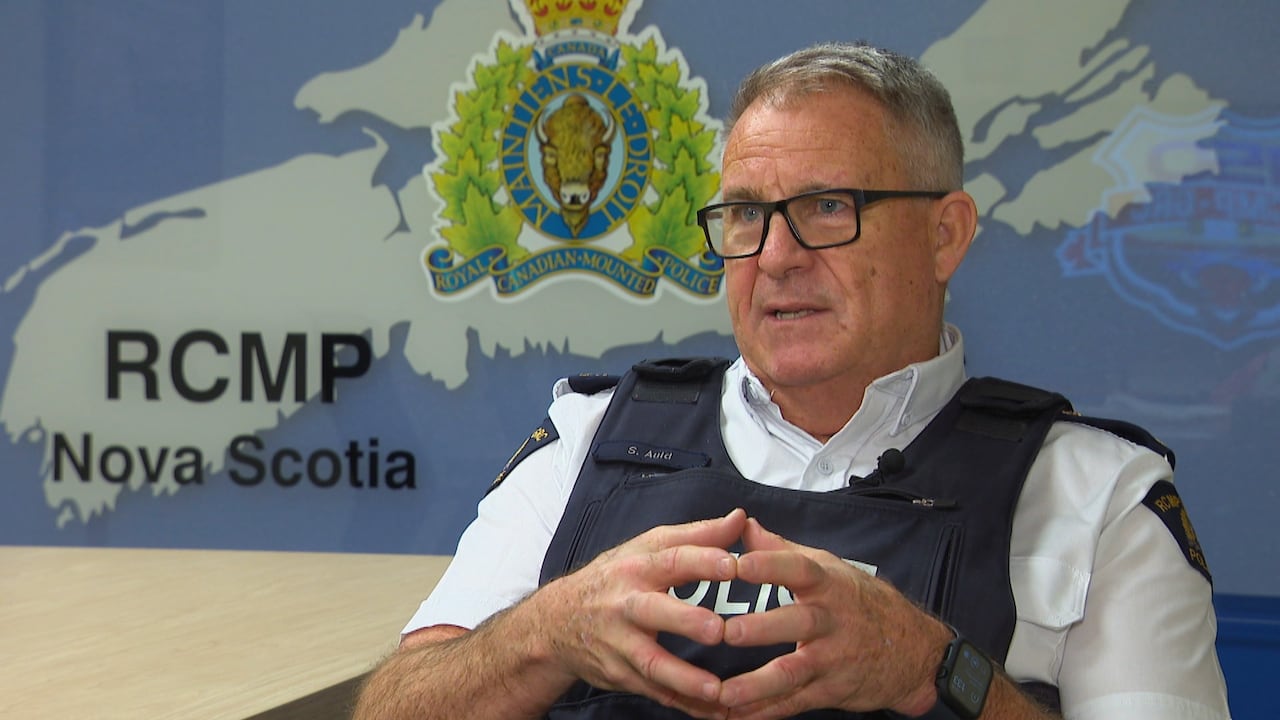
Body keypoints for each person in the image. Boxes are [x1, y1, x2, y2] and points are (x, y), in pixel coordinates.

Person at [353, 41, 1231, 720]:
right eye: (744, 215)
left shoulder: (1098, 498)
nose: (775, 258)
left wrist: (930, 669)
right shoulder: (588, 442)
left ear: (946, 235)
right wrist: (546, 633)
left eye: (825, 208)